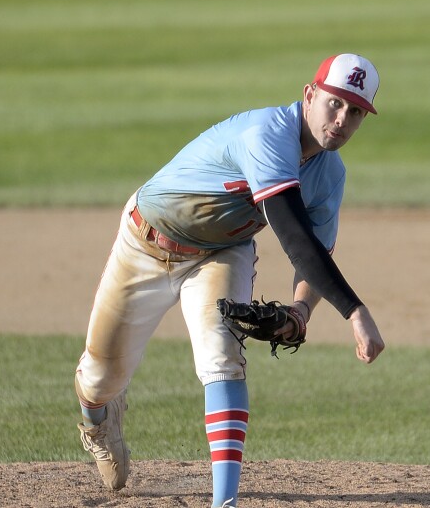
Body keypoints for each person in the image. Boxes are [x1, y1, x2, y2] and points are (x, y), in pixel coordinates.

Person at [73, 53, 386, 507]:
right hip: (146, 242)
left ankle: (225, 503)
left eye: (355, 112)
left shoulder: (330, 174)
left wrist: (300, 311)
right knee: (100, 377)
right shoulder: (268, 135)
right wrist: (355, 312)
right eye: (334, 103)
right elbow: (294, 236)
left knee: (224, 360)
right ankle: (99, 422)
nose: (341, 119)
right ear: (309, 95)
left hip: (222, 252)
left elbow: (313, 259)